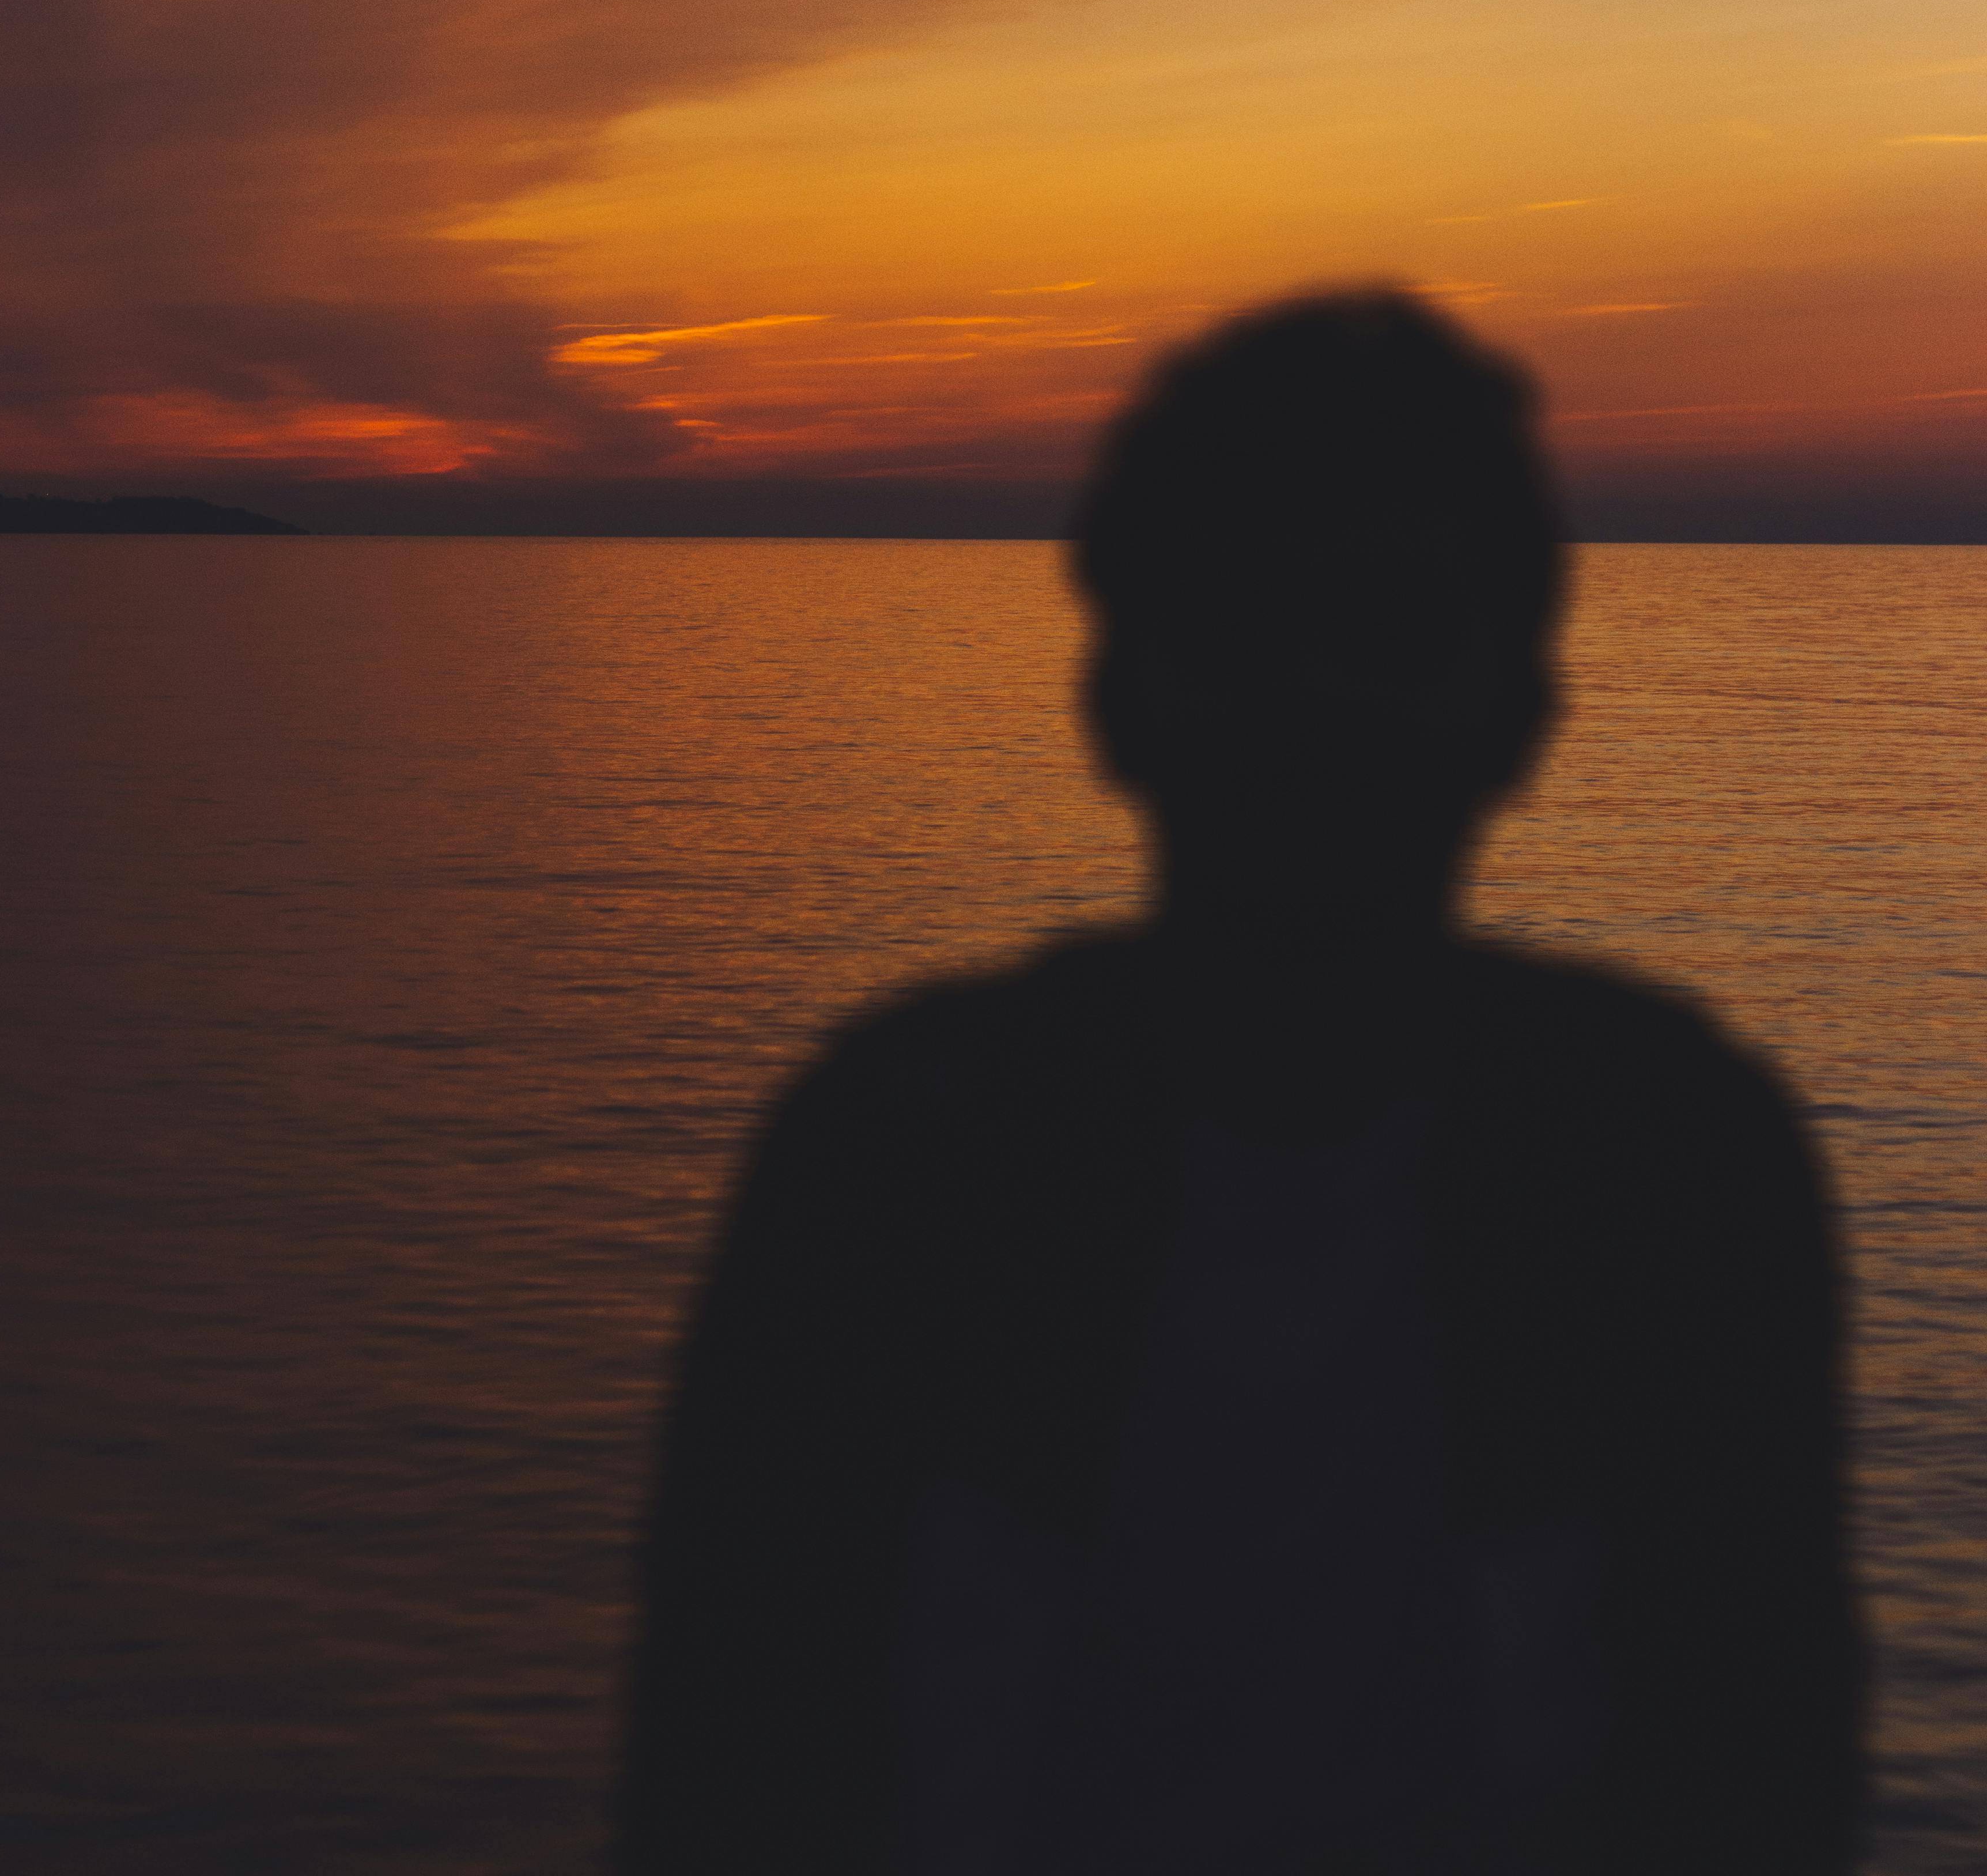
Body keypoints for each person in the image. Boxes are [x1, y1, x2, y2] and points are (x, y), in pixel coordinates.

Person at [616, 291, 1864, 1874]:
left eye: (1388, 632)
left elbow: (1756, 1766)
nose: (1316, 700)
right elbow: (726, 1759)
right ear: (1117, 699)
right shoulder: (900, 1161)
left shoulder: (1664, 1169)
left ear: (1521, 713)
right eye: (1246, 627)